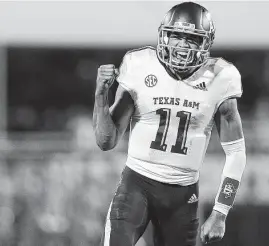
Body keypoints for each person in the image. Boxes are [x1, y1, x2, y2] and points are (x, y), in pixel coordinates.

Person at [93, 2, 247, 246]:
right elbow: (105, 141)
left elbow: (236, 152)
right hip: (137, 183)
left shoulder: (221, 77)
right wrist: (101, 95)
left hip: (183, 194)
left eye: (191, 38)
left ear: (206, 43)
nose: (182, 45)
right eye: (176, 36)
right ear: (164, 35)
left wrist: (220, 211)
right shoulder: (139, 65)